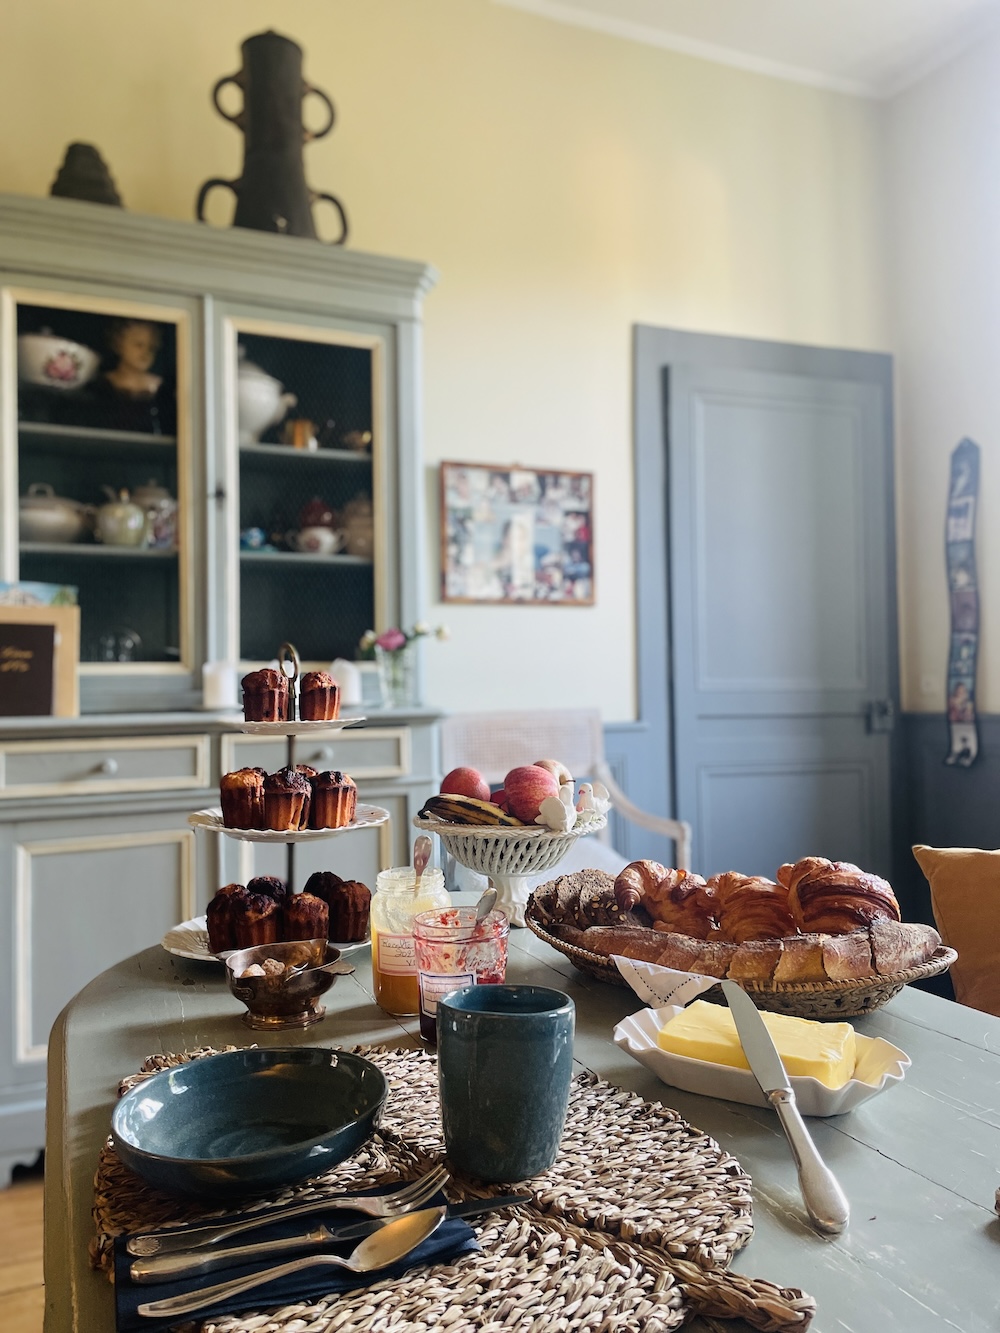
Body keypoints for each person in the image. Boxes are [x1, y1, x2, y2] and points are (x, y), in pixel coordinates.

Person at [105, 319, 162, 397]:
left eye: (151, 347)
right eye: (139, 345)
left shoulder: (161, 387)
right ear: (119, 343)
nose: (146, 352)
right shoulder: (102, 384)